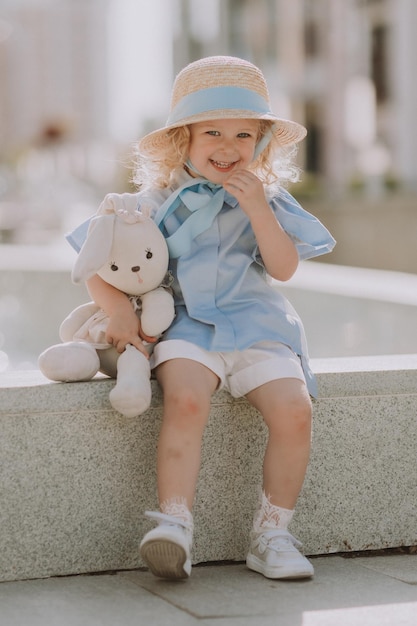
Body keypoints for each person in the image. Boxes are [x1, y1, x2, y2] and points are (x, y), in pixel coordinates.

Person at [83, 56, 336, 581]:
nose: (228, 146)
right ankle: (175, 522)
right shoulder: (152, 203)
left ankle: (272, 532)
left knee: (295, 412)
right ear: (184, 142)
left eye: (244, 135)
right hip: (187, 326)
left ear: (262, 144)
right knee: (187, 398)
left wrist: (260, 211)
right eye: (212, 132)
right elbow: (94, 265)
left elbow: (285, 268)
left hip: (258, 324)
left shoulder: (269, 200)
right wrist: (115, 314)